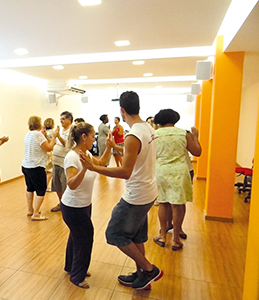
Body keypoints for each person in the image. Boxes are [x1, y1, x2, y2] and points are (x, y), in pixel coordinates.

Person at [79, 91, 163, 290]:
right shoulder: (148, 128)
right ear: (139, 108)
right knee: (135, 236)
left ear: (122, 110)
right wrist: (115, 146)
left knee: (114, 233)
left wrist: (94, 168)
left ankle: (149, 269)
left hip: (136, 196)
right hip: (149, 192)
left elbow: (125, 172)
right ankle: (143, 276)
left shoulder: (133, 135)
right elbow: (136, 153)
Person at [61, 122, 112, 289]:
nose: (94, 139)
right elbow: (71, 184)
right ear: (84, 137)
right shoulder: (72, 157)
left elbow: (101, 163)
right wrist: (84, 170)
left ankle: (71, 267)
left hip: (84, 205)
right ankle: (77, 276)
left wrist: (109, 147)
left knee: (76, 236)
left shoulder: (86, 153)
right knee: (85, 238)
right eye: (93, 136)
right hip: (72, 207)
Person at [152, 109, 201, 251]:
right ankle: (176, 239)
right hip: (180, 171)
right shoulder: (183, 133)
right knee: (178, 204)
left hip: (161, 171)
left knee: (163, 202)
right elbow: (197, 152)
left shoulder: (154, 135)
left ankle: (162, 235)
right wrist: (196, 137)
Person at [22, 116, 58, 220]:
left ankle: (30, 210)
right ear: (38, 123)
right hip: (36, 166)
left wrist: (44, 135)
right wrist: (54, 137)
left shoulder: (28, 134)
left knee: (30, 188)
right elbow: (49, 148)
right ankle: (36, 214)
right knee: (41, 190)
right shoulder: (38, 135)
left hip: (26, 165)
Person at [50, 111, 73, 212]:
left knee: (65, 186)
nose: (61, 121)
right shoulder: (61, 130)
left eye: (63, 119)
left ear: (69, 119)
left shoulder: (72, 130)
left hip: (65, 163)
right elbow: (54, 142)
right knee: (57, 185)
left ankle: (66, 205)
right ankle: (61, 203)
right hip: (56, 162)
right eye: (60, 119)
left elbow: (68, 146)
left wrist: (58, 136)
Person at [43, 117, 55, 191]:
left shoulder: (43, 132)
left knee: (45, 171)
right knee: (50, 171)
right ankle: (46, 186)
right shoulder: (53, 132)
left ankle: (44, 185)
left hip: (44, 152)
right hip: (51, 152)